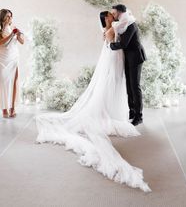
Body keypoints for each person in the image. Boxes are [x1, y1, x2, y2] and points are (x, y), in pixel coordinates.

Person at [36, 11, 150, 192]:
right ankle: (111, 112)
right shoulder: (111, 28)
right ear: (107, 18)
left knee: (112, 84)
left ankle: (113, 110)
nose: (113, 16)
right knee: (113, 83)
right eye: (111, 15)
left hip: (113, 58)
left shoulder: (108, 28)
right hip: (115, 58)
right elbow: (116, 44)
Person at [110, 4, 146, 126]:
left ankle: (139, 116)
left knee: (135, 86)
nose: (113, 16)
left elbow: (124, 44)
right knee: (129, 86)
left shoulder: (130, 24)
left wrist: (111, 45)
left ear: (120, 13)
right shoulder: (122, 24)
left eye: (114, 13)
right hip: (128, 58)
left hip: (135, 58)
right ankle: (132, 111)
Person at [0, 9, 24, 118]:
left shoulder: (13, 27)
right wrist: (11, 35)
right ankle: (4, 109)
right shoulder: (0, 30)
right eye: (7, 17)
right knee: (3, 83)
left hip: (14, 57)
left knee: (14, 82)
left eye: (11, 16)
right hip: (3, 58)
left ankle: (12, 107)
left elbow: (22, 42)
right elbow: (1, 43)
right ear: (2, 18)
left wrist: (18, 34)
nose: (10, 19)